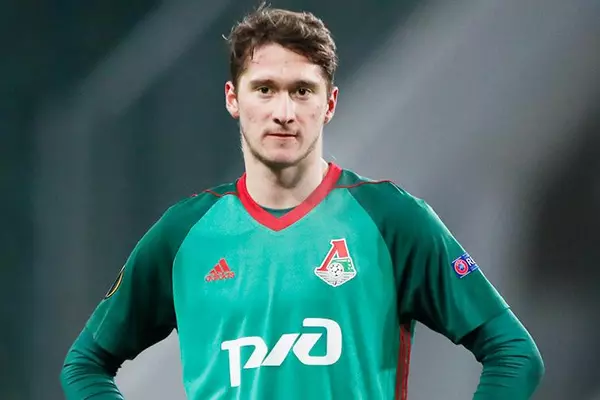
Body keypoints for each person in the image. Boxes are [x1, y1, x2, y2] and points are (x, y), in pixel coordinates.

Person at [60, 4, 544, 399]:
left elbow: (514, 354)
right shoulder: (184, 233)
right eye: (265, 89)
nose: (284, 112)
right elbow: (85, 365)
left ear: (328, 103)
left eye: (302, 91)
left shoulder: (391, 219)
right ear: (233, 98)